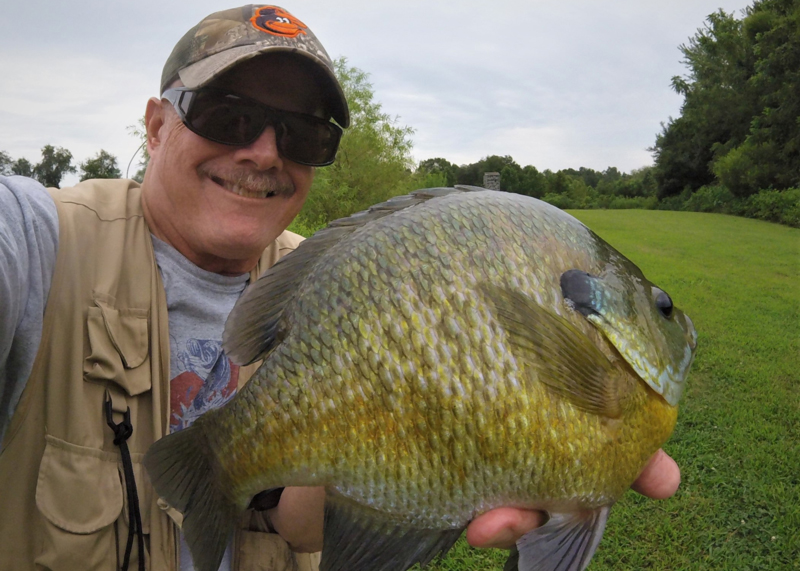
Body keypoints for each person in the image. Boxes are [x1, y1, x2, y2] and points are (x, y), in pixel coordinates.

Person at [0, 4, 681, 571]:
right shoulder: (37, 241)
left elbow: (300, 522)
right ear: (155, 124)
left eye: (302, 134)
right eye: (228, 115)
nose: (264, 151)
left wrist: (453, 449)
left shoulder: (322, 278)